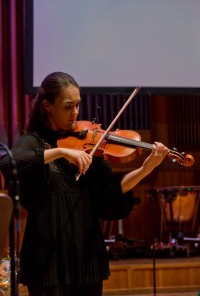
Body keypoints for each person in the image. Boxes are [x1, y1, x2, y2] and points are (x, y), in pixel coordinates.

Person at [0, 72, 168, 296]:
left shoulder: (88, 145)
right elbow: (10, 160)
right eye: (68, 106)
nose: (76, 113)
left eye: (78, 105)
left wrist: (145, 169)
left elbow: (110, 193)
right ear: (47, 106)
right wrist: (60, 152)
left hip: (86, 253)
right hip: (48, 254)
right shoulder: (32, 141)